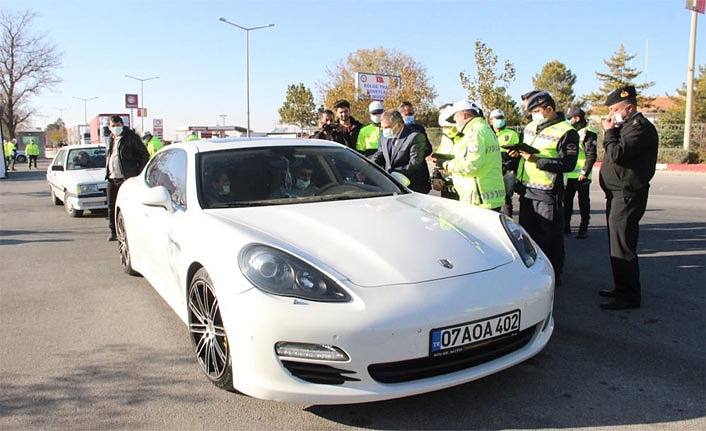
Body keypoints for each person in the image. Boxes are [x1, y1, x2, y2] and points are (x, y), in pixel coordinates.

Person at [508, 91, 578, 286]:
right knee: (529, 236)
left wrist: (538, 160)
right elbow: (526, 152)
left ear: (550, 109)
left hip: (547, 191)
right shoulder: (531, 126)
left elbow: (568, 163)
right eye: (532, 112)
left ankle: (554, 275)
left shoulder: (566, 131)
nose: (534, 115)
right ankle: (533, 274)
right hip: (527, 189)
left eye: (537, 111)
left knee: (550, 236)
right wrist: (517, 154)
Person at [598, 85, 658, 310]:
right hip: (616, 195)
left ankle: (629, 296)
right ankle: (621, 288)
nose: (610, 114)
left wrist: (610, 132)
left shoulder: (639, 128)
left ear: (629, 108)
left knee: (624, 245)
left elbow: (616, 154)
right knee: (617, 245)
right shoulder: (625, 127)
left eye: (614, 109)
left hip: (627, 196)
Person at [433, 100, 505, 211]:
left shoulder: (475, 132)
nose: (455, 123)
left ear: (463, 115)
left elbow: (471, 165)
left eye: (456, 119)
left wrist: (446, 164)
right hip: (486, 196)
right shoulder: (484, 129)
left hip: (479, 199)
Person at [105, 115, 150, 241]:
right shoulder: (110, 139)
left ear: (122, 124)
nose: (116, 128)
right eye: (113, 126)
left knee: (131, 205)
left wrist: (138, 173)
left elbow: (144, 155)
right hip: (112, 178)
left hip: (127, 178)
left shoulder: (130, 138)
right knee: (111, 206)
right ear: (109, 127)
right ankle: (114, 231)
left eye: (118, 125)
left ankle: (134, 231)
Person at [370, 109, 431, 194]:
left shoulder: (415, 137)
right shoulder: (383, 135)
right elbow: (380, 153)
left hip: (412, 186)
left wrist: (393, 175)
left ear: (399, 124)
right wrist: (368, 166)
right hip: (391, 185)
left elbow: (415, 163)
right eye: (382, 127)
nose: (384, 130)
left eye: (387, 127)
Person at [564, 107, 598, 239]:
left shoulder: (588, 133)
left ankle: (584, 226)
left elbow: (591, 155)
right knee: (566, 202)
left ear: (577, 118)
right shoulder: (569, 131)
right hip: (569, 174)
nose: (568, 120)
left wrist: (584, 171)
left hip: (582, 175)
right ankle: (565, 225)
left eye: (570, 118)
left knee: (583, 202)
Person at [489, 108, 520, 217]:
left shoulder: (511, 134)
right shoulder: (487, 133)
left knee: (507, 198)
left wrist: (514, 169)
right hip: (492, 170)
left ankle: (508, 220)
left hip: (507, 169)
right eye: (497, 118)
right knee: (492, 198)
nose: (499, 120)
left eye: (501, 118)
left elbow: (517, 154)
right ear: (491, 120)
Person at [430, 104, 460, 200]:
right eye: (443, 127)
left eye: (447, 127)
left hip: (464, 192)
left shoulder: (468, 137)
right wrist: (435, 178)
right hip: (447, 191)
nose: (445, 129)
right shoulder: (445, 138)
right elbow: (437, 160)